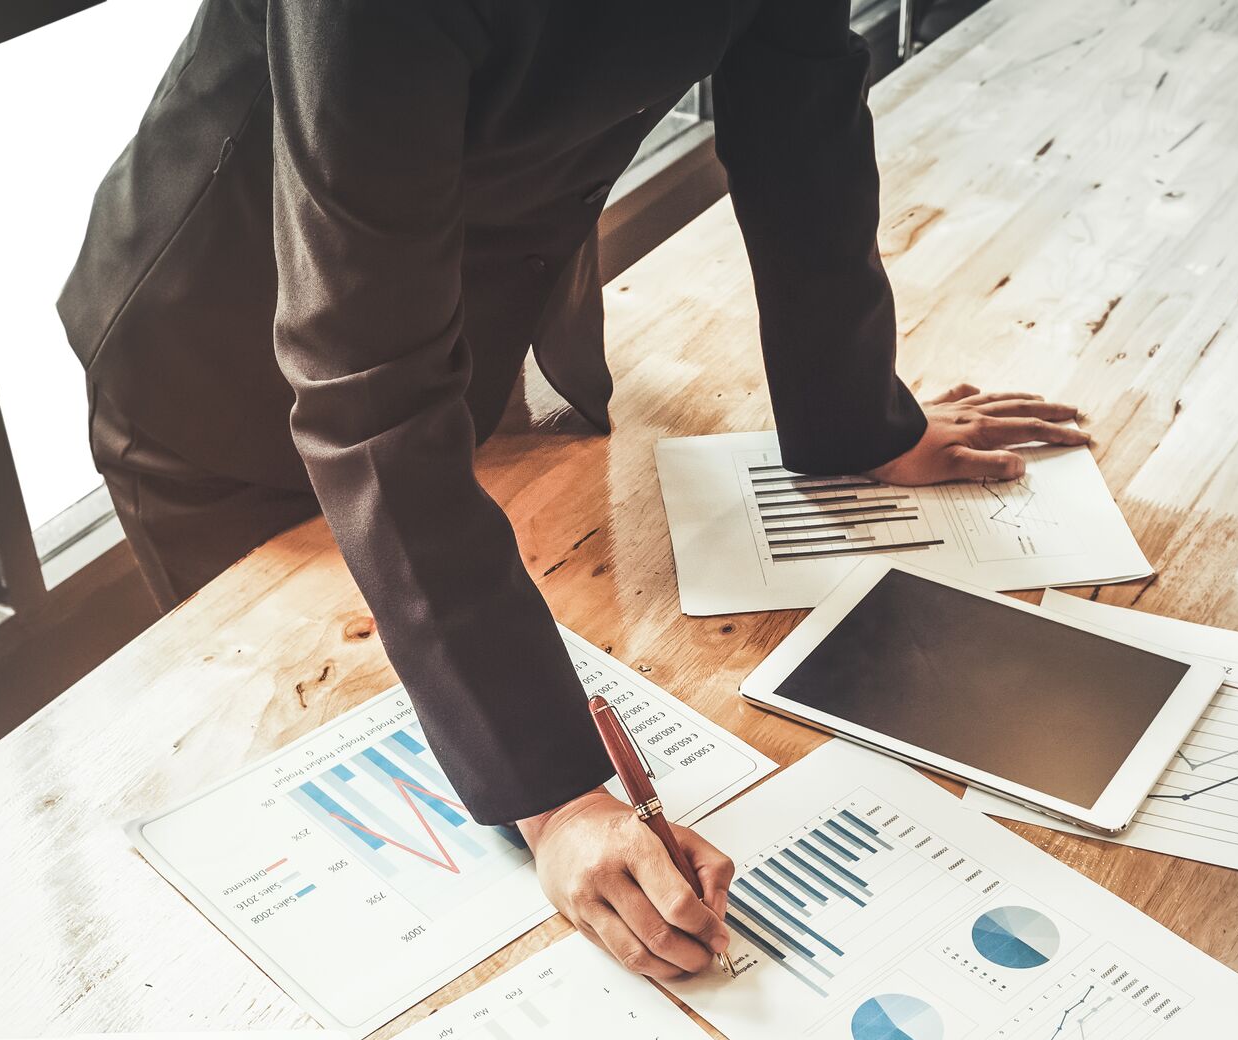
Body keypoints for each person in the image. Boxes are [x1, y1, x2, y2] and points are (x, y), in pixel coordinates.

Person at [60, 0, 1084, 983]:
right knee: (314, 811)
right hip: (216, 374)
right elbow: (365, 392)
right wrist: (553, 796)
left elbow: (801, 116)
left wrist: (856, 420)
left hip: (453, 319)